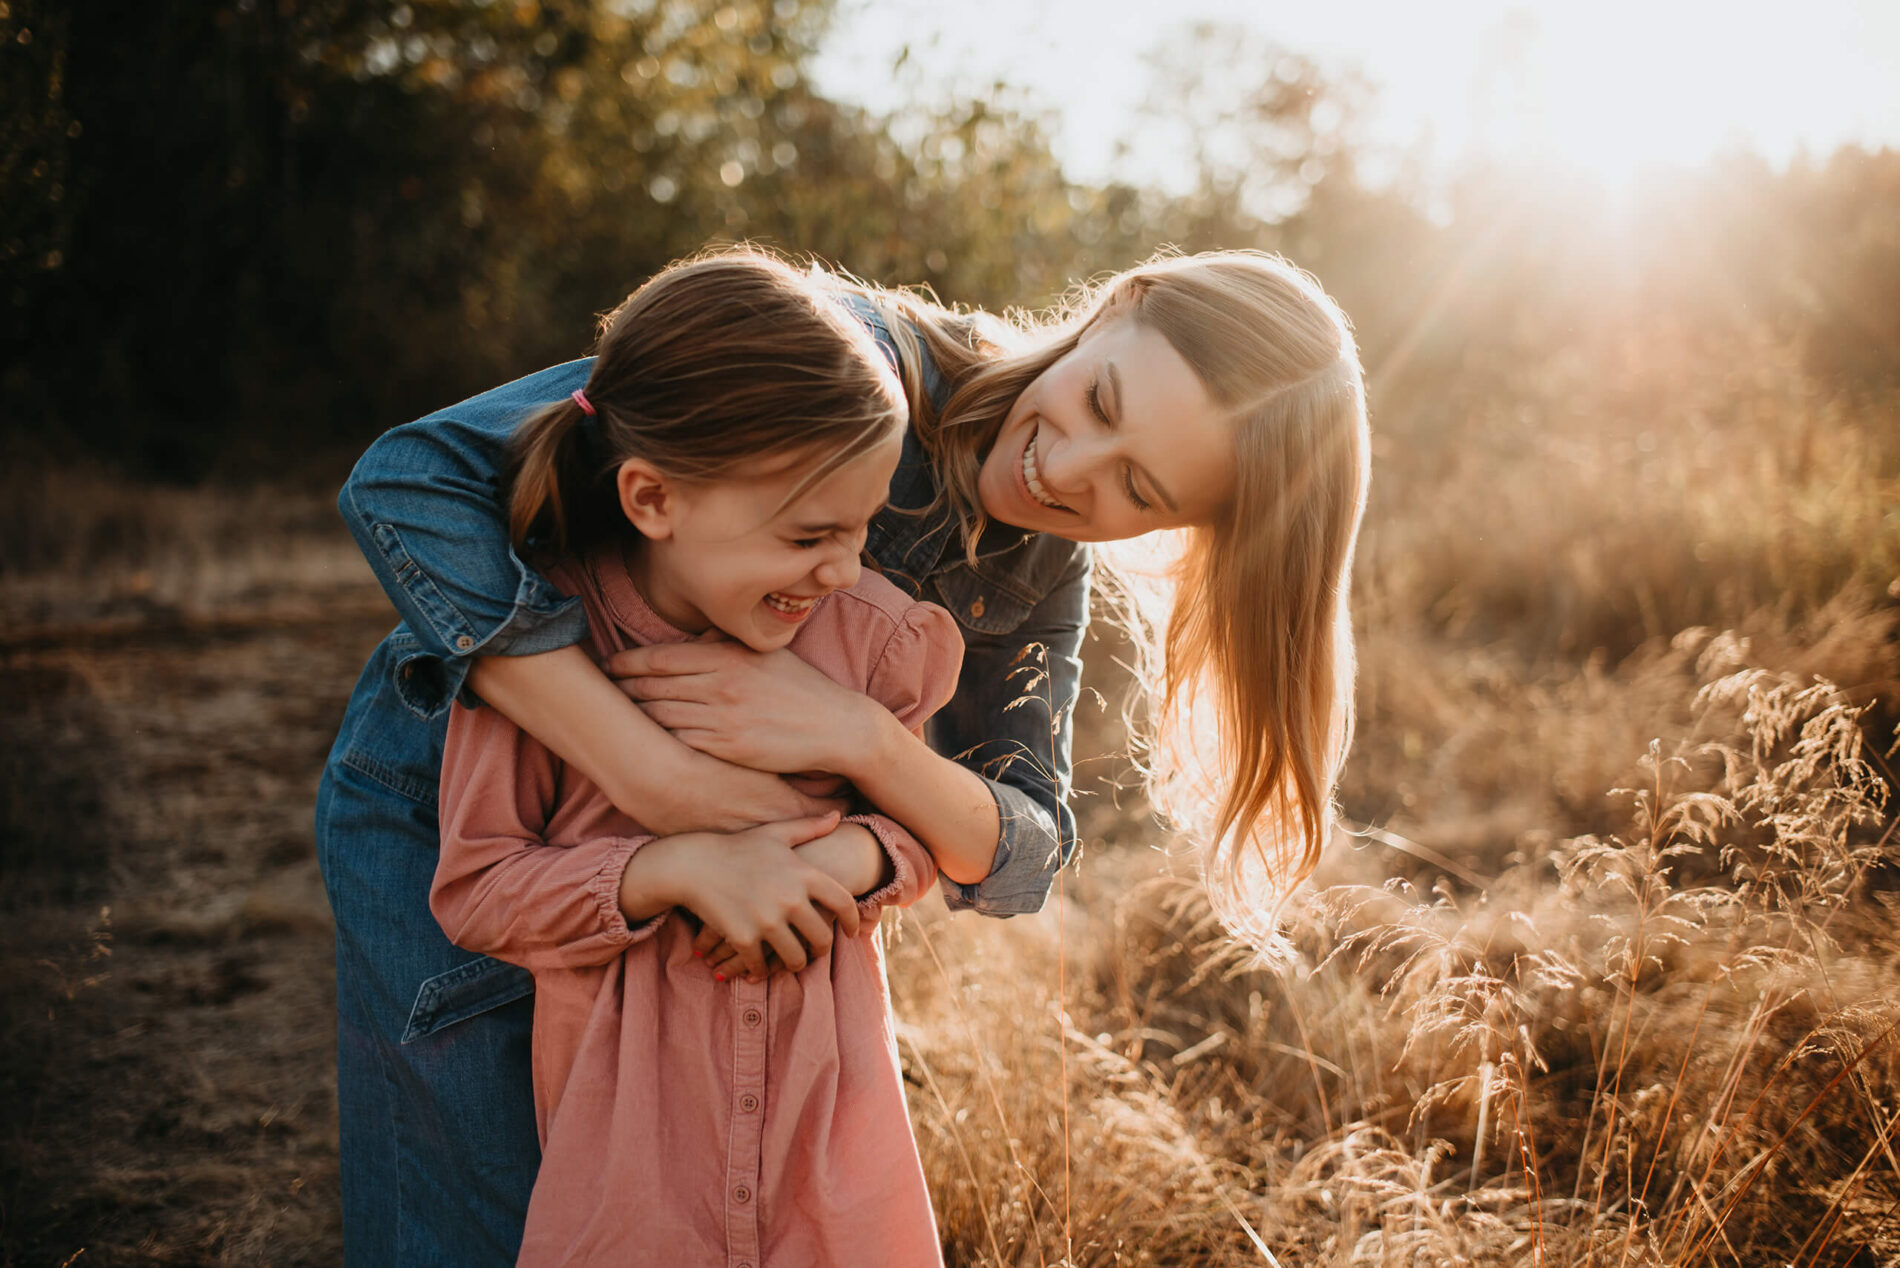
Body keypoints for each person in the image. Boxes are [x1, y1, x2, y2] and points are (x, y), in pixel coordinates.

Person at [315, 243, 1369, 1265]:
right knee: (469, 1215)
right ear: (1115, 306)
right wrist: (663, 780)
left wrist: (857, 738)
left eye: (1140, 492)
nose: (1066, 471)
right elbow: (411, 481)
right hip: (472, 819)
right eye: (1100, 402)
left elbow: (1024, 849)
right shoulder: (838, 355)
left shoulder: (1034, 578)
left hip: (689, 928)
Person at [428, 250, 958, 1265]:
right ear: (651, 498)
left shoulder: (870, 642)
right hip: (628, 1157)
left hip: (831, 1137)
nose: (845, 568)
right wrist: (667, 868)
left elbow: (919, 831)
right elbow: (477, 888)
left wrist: (849, 861)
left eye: (861, 528)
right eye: (810, 533)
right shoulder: (545, 654)